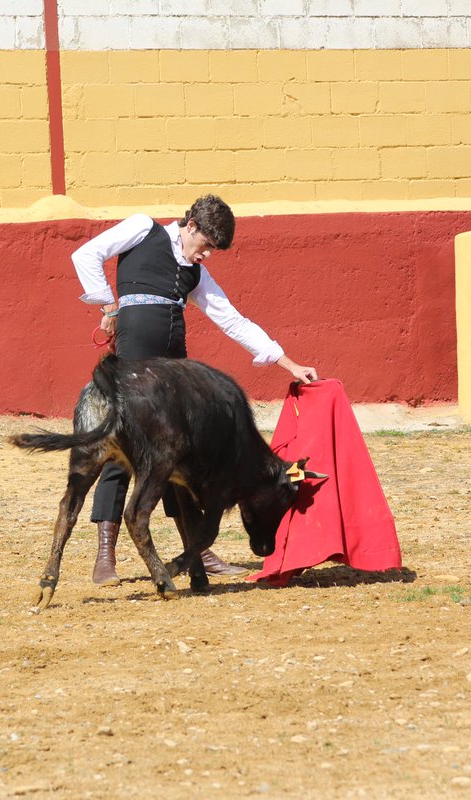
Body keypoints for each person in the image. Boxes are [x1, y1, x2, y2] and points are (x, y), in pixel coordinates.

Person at [72, 194, 318, 586]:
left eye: (212, 251)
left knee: (179, 453)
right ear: (190, 227)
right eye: (205, 245)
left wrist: (287, 363)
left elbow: (232, 320)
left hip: (174, 370)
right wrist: (107, 307)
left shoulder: (196, 272)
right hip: (134, 362)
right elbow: (87, 254)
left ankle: (197, 549)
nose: (205, 255)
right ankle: (106, 554)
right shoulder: (142, 228)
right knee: (121, 451)